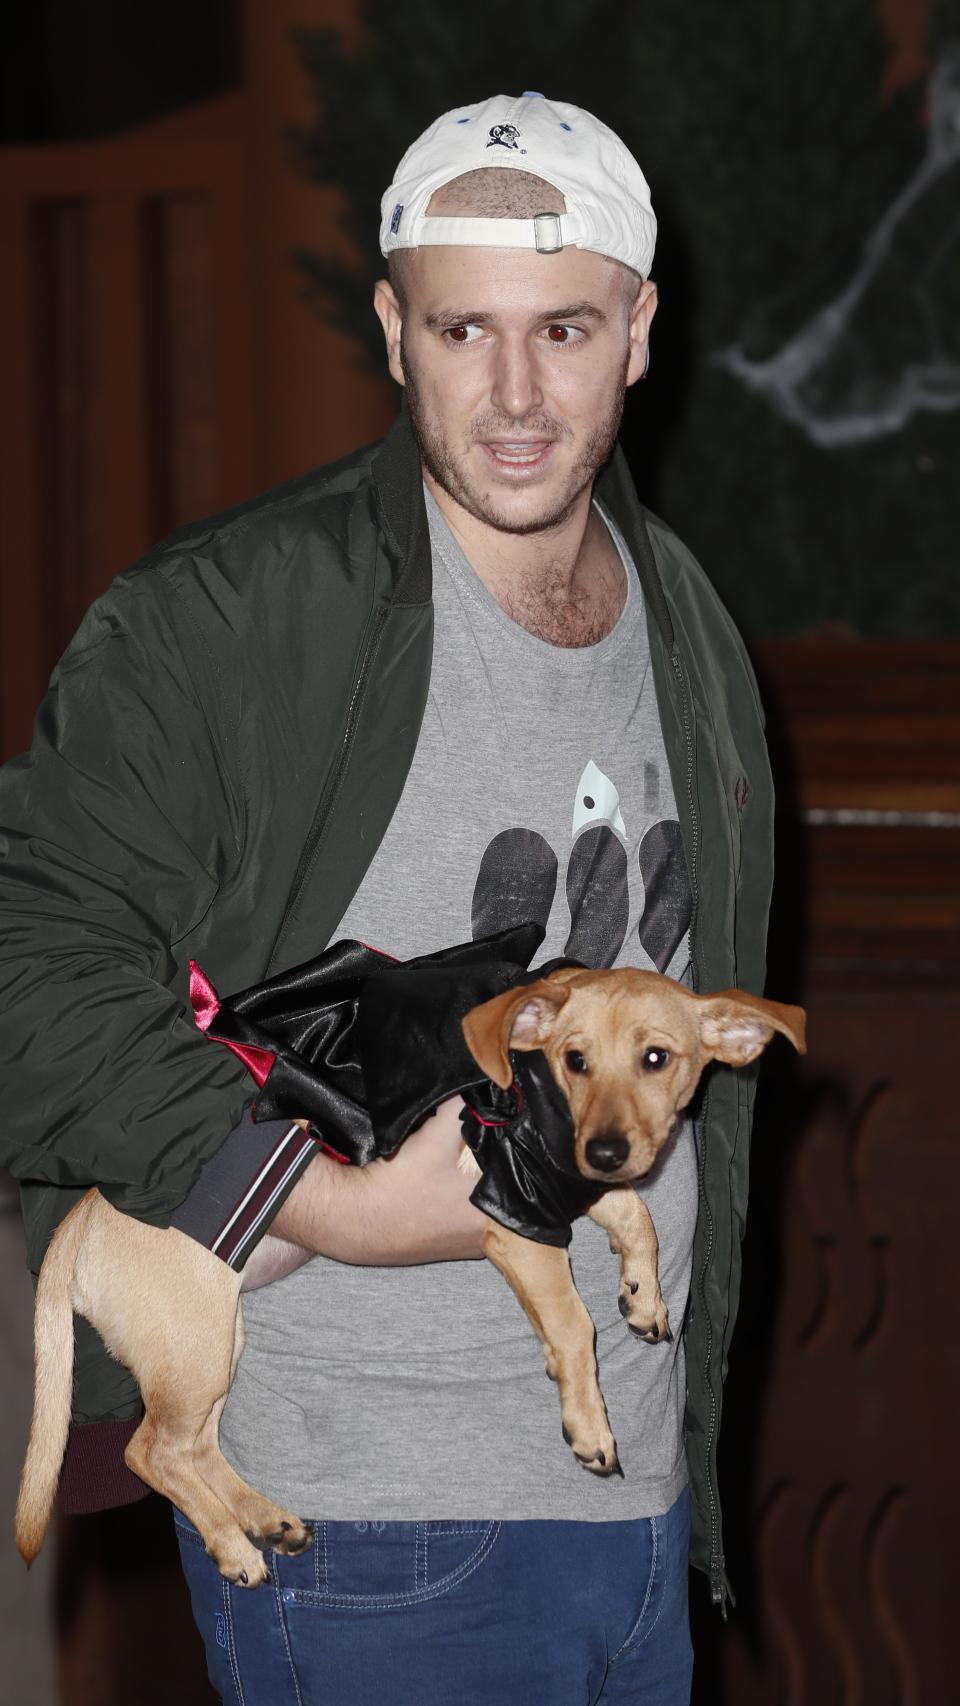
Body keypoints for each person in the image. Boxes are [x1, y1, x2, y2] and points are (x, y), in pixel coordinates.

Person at [0, 94, 774, 1704]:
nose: (511, 394)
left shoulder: (684, 616)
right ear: (391, 331)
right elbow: (32, 963)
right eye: (459, 328)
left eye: (562, 329)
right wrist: (330, 1203)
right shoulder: (222, 619)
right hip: (371, 1538)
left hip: (636, 1511)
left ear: (638, 330)